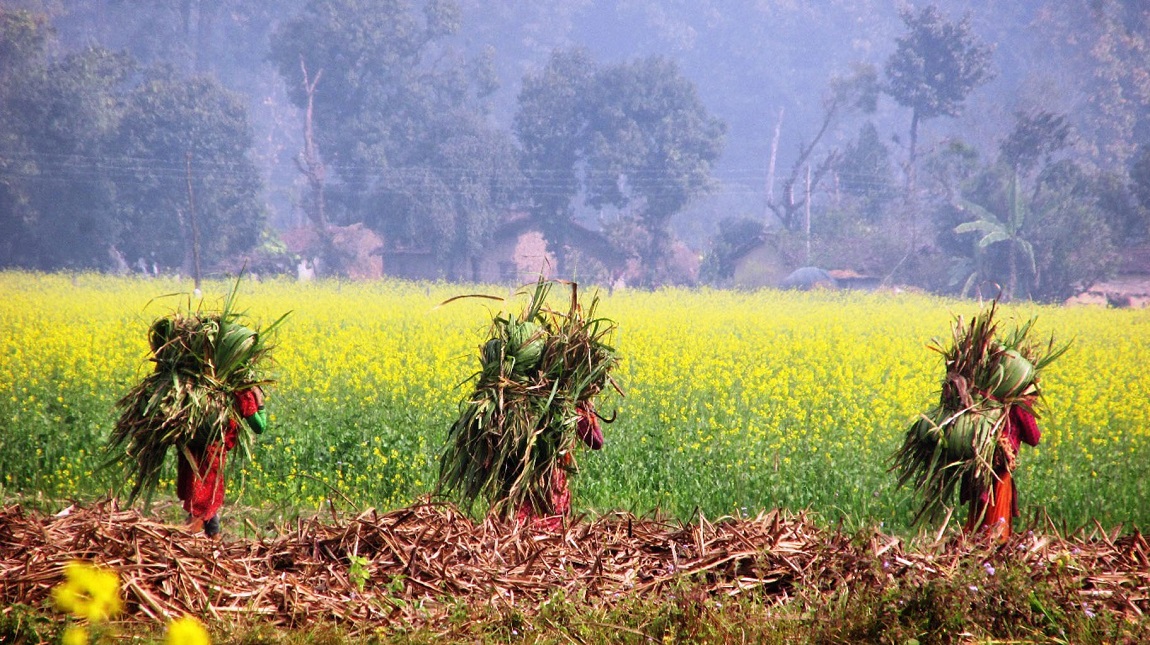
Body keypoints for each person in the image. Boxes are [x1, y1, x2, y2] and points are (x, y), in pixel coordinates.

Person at [177, 386, 267, 537]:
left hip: (189, 448)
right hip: (211, 453)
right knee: (202, 500)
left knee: (205, 496)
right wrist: (260, 402)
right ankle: (186, 542)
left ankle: (214, 540)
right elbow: (260, 426)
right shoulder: (243, 393)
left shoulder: (205, 385)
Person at [515, 401, 603, 531]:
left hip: (521, 473)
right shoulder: (570, 408)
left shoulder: (521, 404)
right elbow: (596, 442)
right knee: (550, 520)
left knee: (521, 517)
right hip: (551, 477)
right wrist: (590, 415)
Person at [962, 398, 1041, 541]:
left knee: (977, 520)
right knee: (996, 524)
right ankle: (991, 549)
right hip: (999, 469)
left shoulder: (983, 397)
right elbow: (1034, 437)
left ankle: (973, 549)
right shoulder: (1020, 404)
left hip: (978, 464)